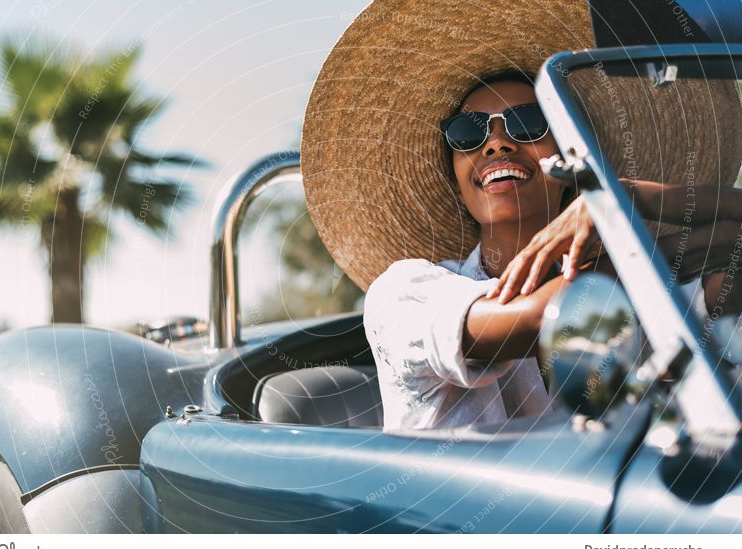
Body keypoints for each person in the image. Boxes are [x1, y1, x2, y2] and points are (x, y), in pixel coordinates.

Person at [300, 0, 742, 431]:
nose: (496, 144)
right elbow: (548, 319)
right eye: (468, 133)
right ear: (455, 176)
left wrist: (633, 200)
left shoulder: (644, 272)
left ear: (570, 157)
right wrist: (635, 241)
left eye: (528, 122)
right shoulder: (402, 293)